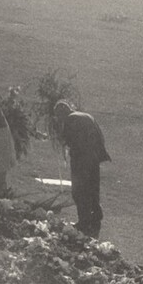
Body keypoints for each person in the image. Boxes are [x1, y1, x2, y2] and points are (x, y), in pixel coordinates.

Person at [53, 100, 111, 238]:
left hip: (81, 160)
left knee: (79, 191)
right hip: (94, 157)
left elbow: (67, 140)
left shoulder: (69, 120)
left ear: (62, 114)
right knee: (93, 188)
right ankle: (96, 217)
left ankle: (84, 221)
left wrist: (58, 131)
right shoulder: (85, 115)